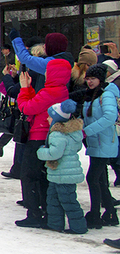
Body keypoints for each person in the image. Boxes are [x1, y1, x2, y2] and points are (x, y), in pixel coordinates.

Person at [15, 57, 71, 228]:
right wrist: (30, 89)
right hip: (47, 136)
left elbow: (26, 107)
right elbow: (36, 105)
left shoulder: (51, 92)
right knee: (42, 177)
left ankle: (34, 213)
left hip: (38, 137)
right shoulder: (59, 91)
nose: (45, 73)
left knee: (29, 176)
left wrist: (24, 88)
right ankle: (47, 211)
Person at [78, 64, 119, 229]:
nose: (89, 82)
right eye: (87, 79)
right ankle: (110, 213)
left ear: (100, 79)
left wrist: (87, 131)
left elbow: (110, 117)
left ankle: (95, 214)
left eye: (92, 79)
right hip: (96, 142)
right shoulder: (93, 94)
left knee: (93, 178)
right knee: (100, 180)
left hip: (104, 142)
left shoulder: (106, 95)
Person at [37, 100, 87, 234]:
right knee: (53, 199)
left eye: (50, 116)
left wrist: (41, 151)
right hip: (60, 174)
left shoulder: (57, 134)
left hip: (63, 174)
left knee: (68, 201)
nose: (47, 118)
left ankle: (79, 227)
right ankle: (55, 224)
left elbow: (55, 153)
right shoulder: (71, 133)